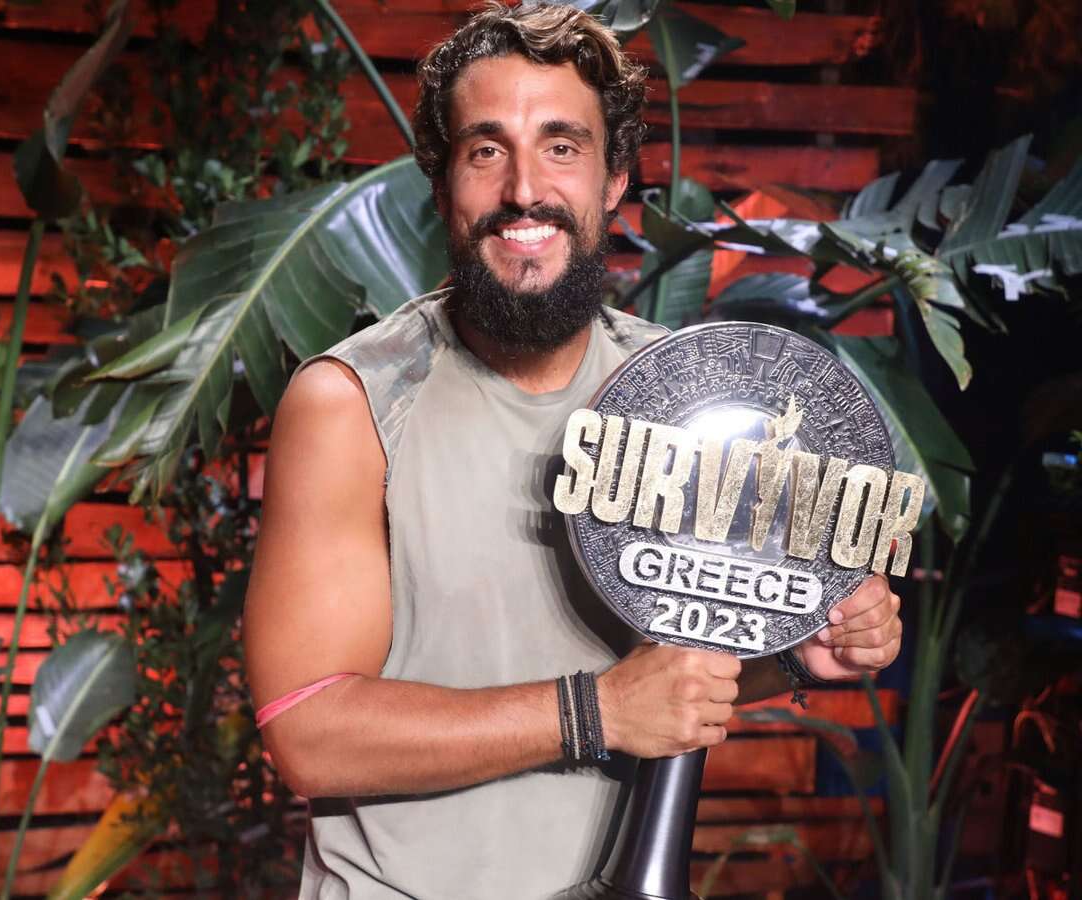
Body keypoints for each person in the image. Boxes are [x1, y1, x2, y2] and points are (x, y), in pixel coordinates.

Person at [244, 4, 903, 898]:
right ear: (442, 184)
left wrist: (796, 652)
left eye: (562, 146)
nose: (525, 189)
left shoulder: (676, 396)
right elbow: (310, 734)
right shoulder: (352, 402)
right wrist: (593, 712)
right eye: (487, 150)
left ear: (613, 178)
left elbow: (668, 678)